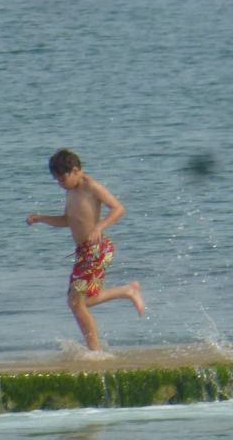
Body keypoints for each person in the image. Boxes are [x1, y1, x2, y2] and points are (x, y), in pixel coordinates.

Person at [26, 147, 145, 350]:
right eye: (57, 181)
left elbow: (118, 208)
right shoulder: (71, 192)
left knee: (76, 303)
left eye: (62, 179)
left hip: (97, 250)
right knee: (80, 302)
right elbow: (67, 220)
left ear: (75, 170)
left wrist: (99, 227)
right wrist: (42, 218)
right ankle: (127, 290)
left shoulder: (91, 187)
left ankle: (94, 351)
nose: (60, 184)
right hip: (84, 253)